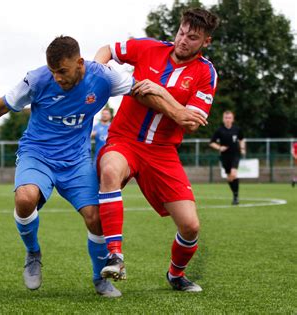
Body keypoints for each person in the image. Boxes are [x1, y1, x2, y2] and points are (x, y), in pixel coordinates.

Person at [0, 36, 139, 298]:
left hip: (76, 160)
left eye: (62, 71)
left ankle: (100, 278)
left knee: (96, 218)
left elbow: (141, 89)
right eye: (53, 71)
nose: (57, 77)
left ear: (80, 63)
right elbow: (2, 105)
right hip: (37, 154)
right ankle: (33, 252)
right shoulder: (36, 80)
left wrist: (176, 108)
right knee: (25, 199)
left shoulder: (104, 77)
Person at [93, 7, 219, 292]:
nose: (183, 40)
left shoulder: (206, 73)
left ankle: (176, 275)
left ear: (206, 42)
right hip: (124, 139)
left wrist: (159, 92)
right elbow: (107, 50)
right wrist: (95, 72)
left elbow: (190, 122)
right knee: (110, 169)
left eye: (193, 37)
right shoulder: (149, 48)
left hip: (163, 151)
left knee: (190, 226)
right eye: (181, 32)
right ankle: (116, 256)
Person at [210, 110, 245, 204]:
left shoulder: (237, 129)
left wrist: (242, 148)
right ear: (223, 119)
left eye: (229, 117)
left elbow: (242, 139)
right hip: (225, 156)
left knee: (234, 173)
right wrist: (219, 147)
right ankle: (235, 194)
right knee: (229, 177)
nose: (228, 119)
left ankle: (236, 197)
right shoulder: (219, 130)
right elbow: (212, 143)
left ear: (232, 119)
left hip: (235, 154)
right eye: (226, 118)